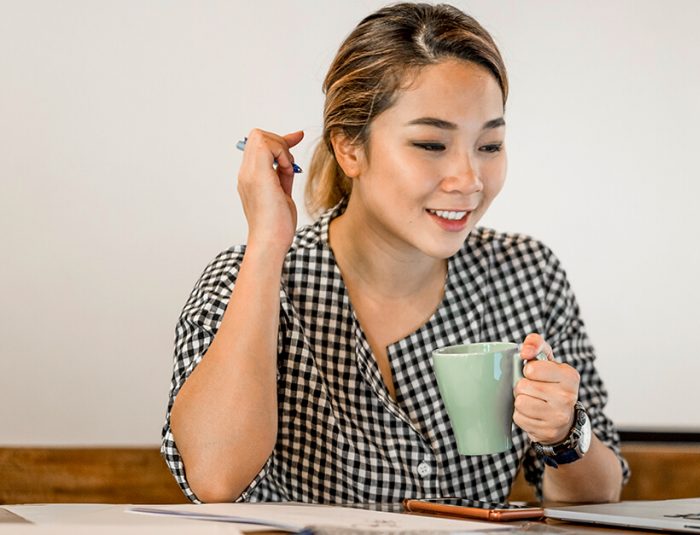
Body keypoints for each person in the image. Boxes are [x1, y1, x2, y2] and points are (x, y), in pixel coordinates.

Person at [161, 2, 629, 504]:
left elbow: (601, 495)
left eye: (489, 146)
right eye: (431, 144)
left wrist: (562, 432)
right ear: (349, 149)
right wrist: (268, 244)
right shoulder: (246, 278)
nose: (469, 180)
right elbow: (215, 478)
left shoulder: (528, 274)